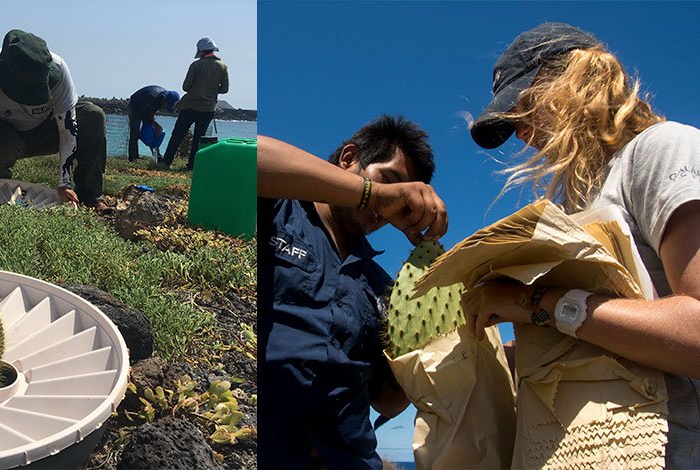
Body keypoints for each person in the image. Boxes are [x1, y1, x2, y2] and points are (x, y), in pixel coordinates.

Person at [465, 22, 700, 467]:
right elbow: (598, 342)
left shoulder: (661, 150)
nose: (520, 132)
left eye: (524, 106)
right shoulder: (580, 202)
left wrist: (535, 303)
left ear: (570, 79)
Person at [258, 115, 448, 470]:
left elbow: (386, 402)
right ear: (348, 159)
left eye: (402, 199)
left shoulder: (380, 285)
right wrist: (373, 195)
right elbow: (252, 157)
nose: (391, 204)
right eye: (390, 182)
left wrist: (424, 337)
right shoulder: (279, 209)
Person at [0, 29, 109, 210]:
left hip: (44, 132)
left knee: (93, 115)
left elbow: (67, 132)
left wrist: (64, 183)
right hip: (2, 136)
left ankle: (90, 195)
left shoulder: (59, 69)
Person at [159, 37, 229, 170]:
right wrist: (212, 90)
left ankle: (166, 161)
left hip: (190, 106)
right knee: (198, 139)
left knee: (177, 135)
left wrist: (197, 88)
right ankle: (192, 165)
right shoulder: (223, 67)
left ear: (201, 51)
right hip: (208, 108)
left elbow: (186, 87)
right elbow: (225, 89)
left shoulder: (196, 65)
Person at [127, 85, 179, 162]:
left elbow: (151, 113)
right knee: (135, 132)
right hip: (135, 106)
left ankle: (157, 156)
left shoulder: (162, 99)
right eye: (167, 106)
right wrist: (155, 124)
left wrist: (155, 126)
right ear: (164, 100)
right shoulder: (152, 98)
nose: (165, 108)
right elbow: (143, 114)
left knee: (154, 131)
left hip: (146, 107)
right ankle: (133, 158)